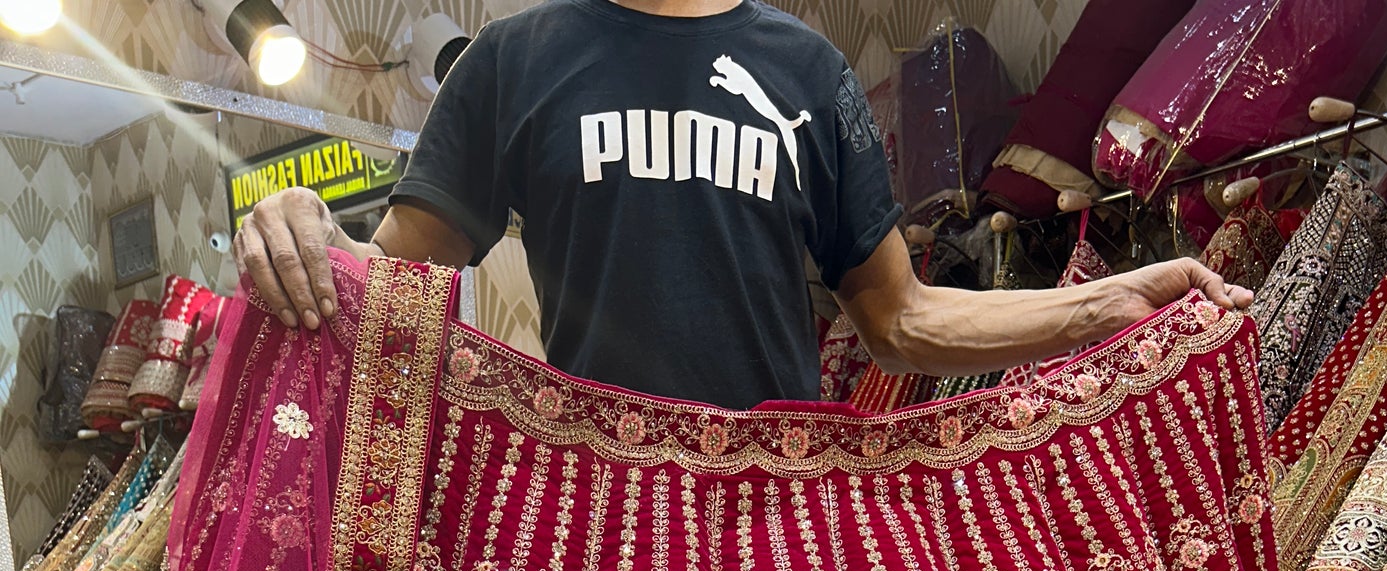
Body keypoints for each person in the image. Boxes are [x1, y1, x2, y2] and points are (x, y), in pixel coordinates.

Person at [235, 0, 1251, 411]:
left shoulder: (803, 71)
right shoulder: (513, 62)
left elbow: (900, 320)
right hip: (601, 523)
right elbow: (388, 290)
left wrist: (1111, 307)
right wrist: (305, 233)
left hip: (777, 516)